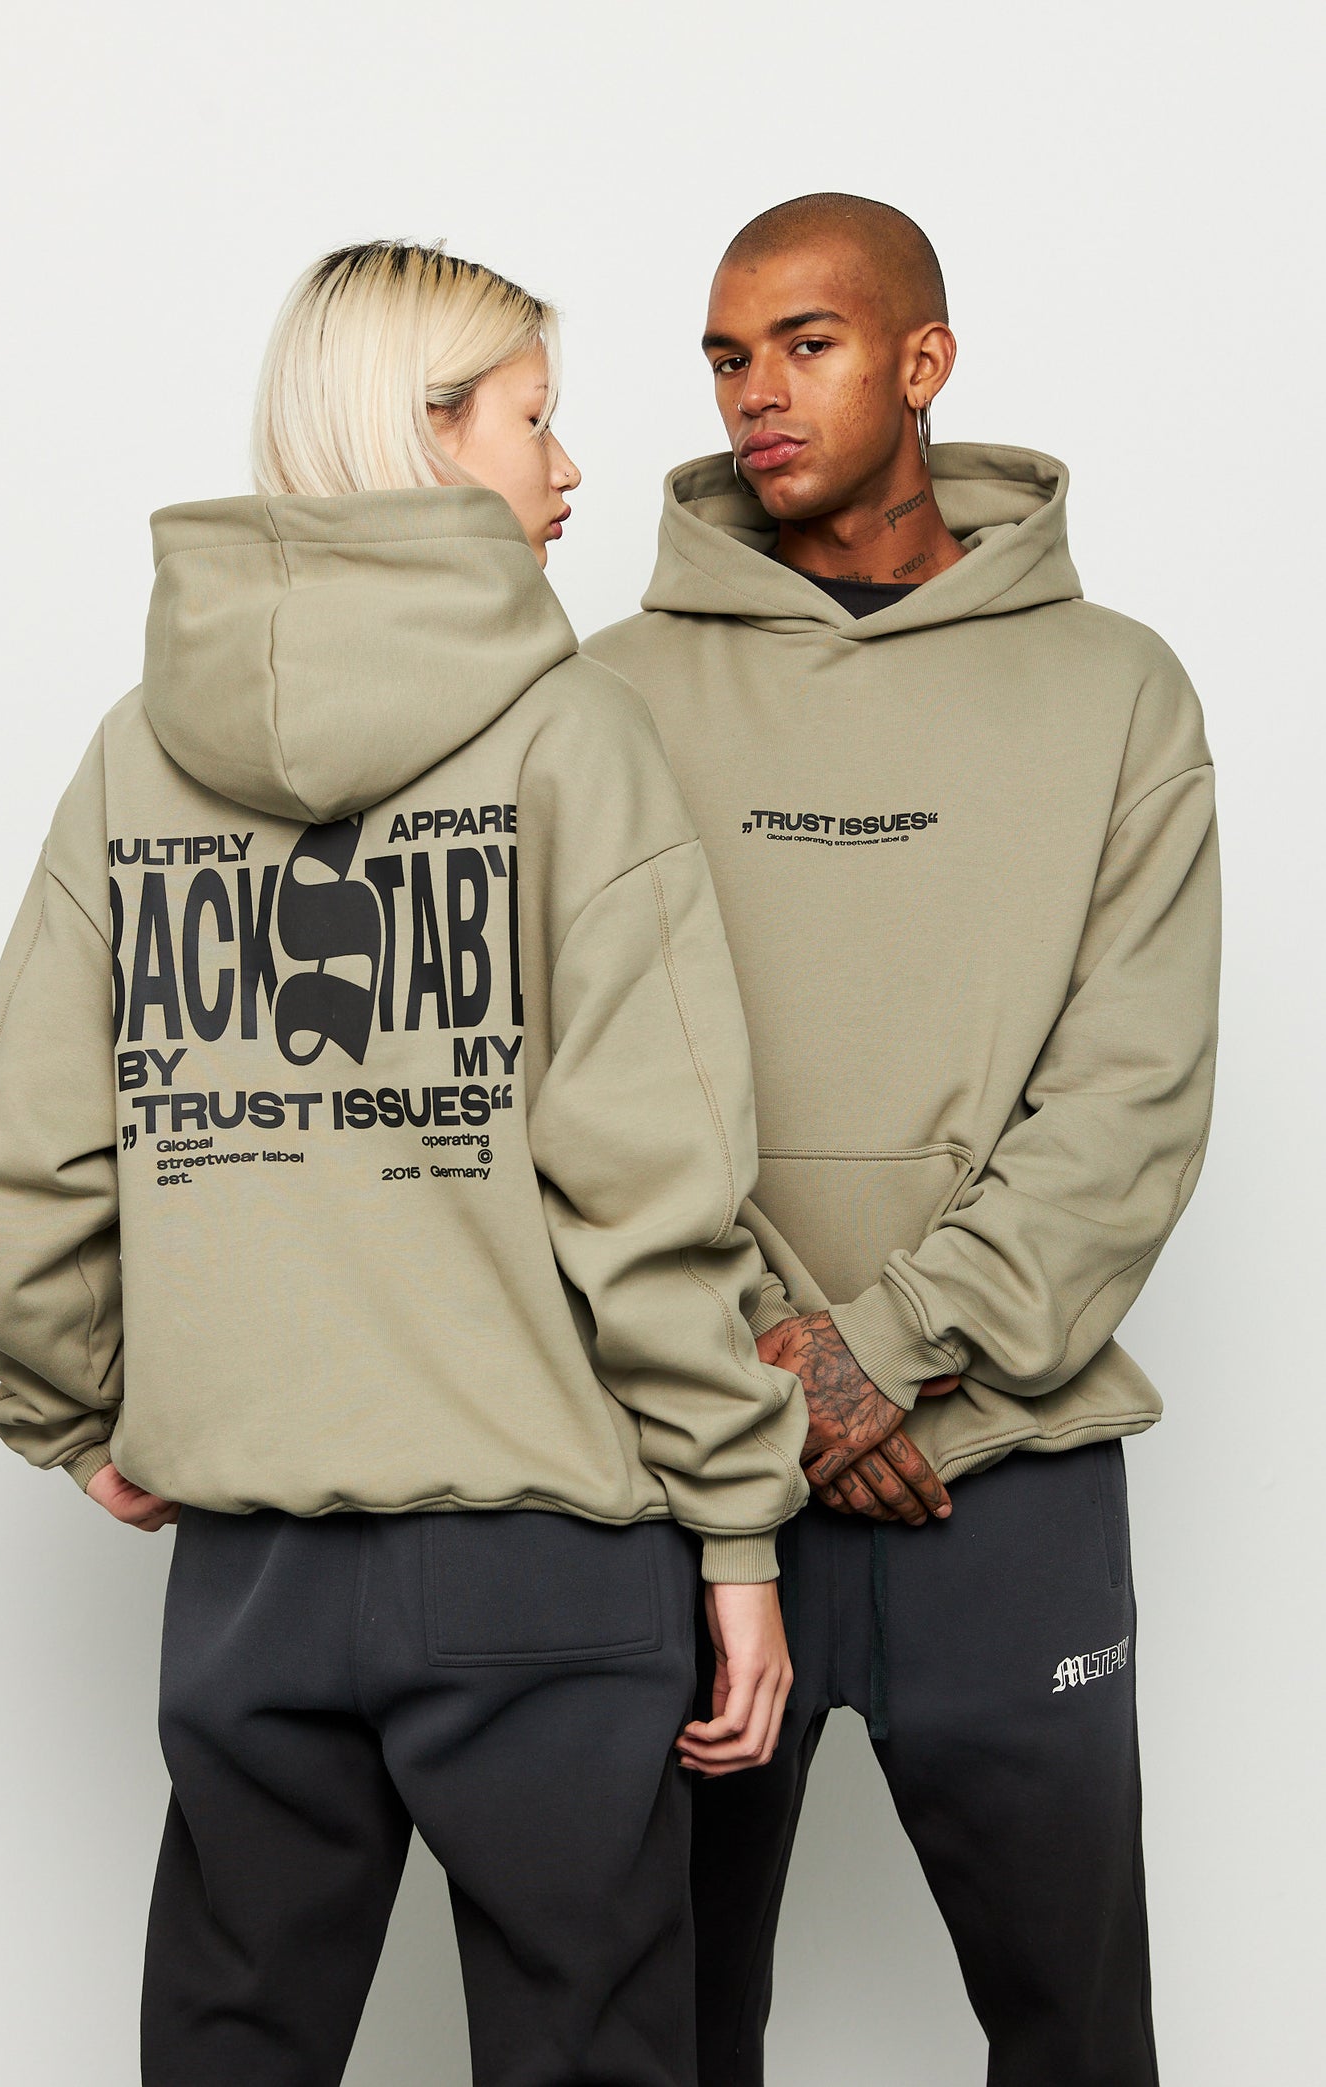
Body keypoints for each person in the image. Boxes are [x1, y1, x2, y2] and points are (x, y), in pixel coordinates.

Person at [0, 240, 808, 2087]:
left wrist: (71, 1405)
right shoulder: (572, 735)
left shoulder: (138, 753)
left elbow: (18, 1148)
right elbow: (650, 1188)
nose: (568, 468)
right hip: (544, 1558)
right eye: (533, 419)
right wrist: (737, 1529)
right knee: (593, 2050)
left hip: (246, 1573)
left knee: (230, 2048)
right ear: (429, 430)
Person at [586, 193, 1220, 2086]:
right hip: (698, 1469)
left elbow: (1131, 1093)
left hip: (1008, 1467)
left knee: (1075, 2032)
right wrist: (779, 1371)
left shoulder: (1115, 688)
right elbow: (592, 1092)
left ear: (923, 360)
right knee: (659, 2032)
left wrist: (889, 1347)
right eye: (726, 356)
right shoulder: (604, 694)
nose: (755, 393)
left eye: (808, 343)